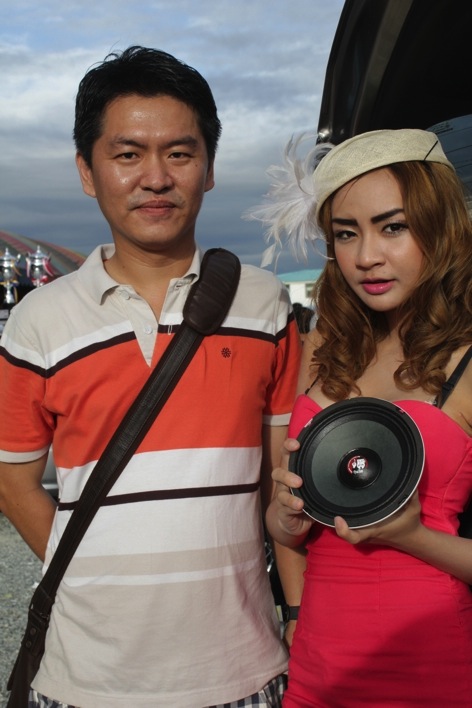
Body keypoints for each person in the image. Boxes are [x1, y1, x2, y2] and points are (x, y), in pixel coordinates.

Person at [0, 46, 302, 708]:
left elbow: (281, 478)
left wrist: (301, 616)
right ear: (88, 170)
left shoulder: (265, 304)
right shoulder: (37, 321)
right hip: (87, 679)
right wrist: (87, 571)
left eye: (180, 153)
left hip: (245, 669)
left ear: (210, 168)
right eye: (128, 153)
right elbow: (13, 478)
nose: (156, 177)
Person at [255, 128, 472, 706]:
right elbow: (290, 526)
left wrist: (413, 536)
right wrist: (285, 516)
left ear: (440, 226)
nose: (366, 257)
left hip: (430, 667)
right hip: (319, 664)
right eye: (346, 234)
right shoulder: (327, 345)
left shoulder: (467, 359)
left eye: (392, 227)